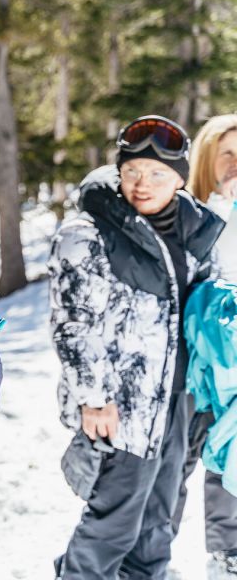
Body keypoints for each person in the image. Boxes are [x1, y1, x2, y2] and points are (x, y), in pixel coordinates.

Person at [49, 115, 224, 579]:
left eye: (157, 175)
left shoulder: (193, 231)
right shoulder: (88, 234)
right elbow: (72, 325)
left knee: (159, 523)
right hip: (121, 409)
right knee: (113, 523)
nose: (142, 184)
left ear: (180, 178)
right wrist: (94, 398)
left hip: (178, 402)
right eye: (132, 172)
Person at [173, 114, 237, 574]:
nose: (236, 163)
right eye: (227, 153)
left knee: (228, 451)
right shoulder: (188, 210)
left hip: (232, 358)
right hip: (190, 360)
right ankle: (150, 551)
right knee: (177, 462)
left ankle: (226, 551)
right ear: (207, 158)